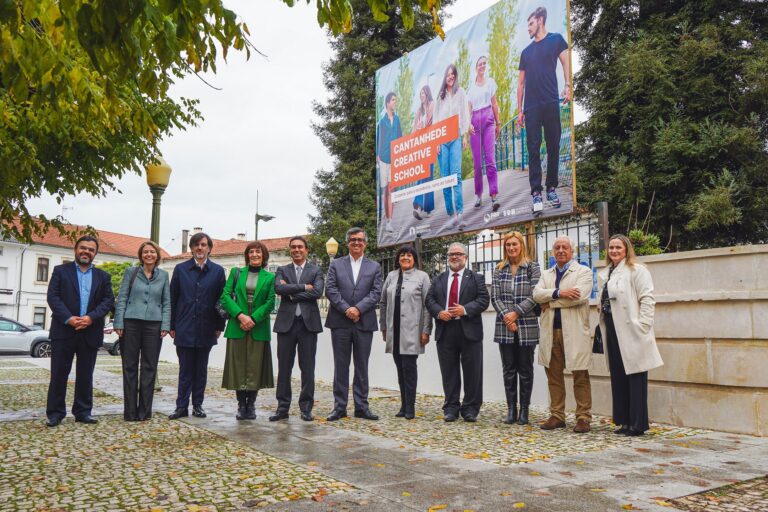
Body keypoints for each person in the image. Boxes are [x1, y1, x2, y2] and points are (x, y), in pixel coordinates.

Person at [45, 235, 115, 427]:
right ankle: (55, 413)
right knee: (59, 373)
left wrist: (91, 317)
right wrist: (69, 318)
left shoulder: (103, 276)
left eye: (91, 250)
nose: (86, 252)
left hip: (90, 331)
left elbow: (108, 301)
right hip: (64, 329)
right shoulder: (60, 271)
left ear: (95, 254)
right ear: (76, 250)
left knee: (86, 374)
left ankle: (83, 412)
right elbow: (53, 297)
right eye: (83, 248)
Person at [598, 234, 663, 436]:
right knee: (618, 375)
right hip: (612, 327)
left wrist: (643, 325)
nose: (614, 251)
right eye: (611, 248)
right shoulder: (607, 272)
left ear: (626, 249)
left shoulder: (637, 270)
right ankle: (624, 421)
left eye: (618, 247)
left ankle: (637, 423)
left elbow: (647, 298)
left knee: (635, 376)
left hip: (631, 329)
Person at [533, 236, 594, 433]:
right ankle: (557, 415)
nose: (560, 250)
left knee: (580, 374)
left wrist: (549, 302)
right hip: (551, 331)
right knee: (554, 374)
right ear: (553, 252)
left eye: (564, 247)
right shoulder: (546, 273)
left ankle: (583, 417)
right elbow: (536, 295)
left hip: (574, 330)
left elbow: (578, 297)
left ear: (572, 251)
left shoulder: (583, 272)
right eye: (557, 247)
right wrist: (560, 293)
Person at [426, 243, 489, 422]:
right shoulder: (439, 278)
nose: (454, 257)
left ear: (465, 257)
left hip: (469, 329)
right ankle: (451, 407)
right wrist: (439, 312)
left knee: (473, 371)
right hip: (446, 330)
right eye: (451, 254)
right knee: (449, 372)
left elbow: (484, 300)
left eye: (458, 254)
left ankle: (470, 408)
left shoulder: (476, 278)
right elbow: (429, 299)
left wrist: (465, 309)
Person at [324, 227, 383, 421]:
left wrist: (358, 309)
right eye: (352, 240)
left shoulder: (374, 266)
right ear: (347, 243)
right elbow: (330, 289)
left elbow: (376, 292)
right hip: (340, 322)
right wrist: (346, 309)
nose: (356, 243)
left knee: (361, 366)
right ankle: (339, 407)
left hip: (364, 322)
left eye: (360, 240)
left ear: (365, 243)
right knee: (341, 366)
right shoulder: (336, 265)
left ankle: (361, 406)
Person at [517, 6, 570, 214]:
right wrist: (519, 110)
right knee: (533, 149)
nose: (528, 28)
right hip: (531, 106)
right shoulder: (526, 52)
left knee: (554, 145)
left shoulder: (556, 39)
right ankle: (536, 192)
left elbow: (565, 62)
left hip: (550, 101)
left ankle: (551, 188)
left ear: (540, 20)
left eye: (530, 23)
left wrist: (567, 86)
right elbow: (520, 83)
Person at [168, 232, 226, 420]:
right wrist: (171, 324)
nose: (199, 248)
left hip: (207, 327)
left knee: (201, 370)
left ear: (209, 248)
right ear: (191, 248)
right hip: (184, 326)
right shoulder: (180, 269)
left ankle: (198, 405)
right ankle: (181, 406)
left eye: (203, 245)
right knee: (185, 370)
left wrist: (219, 325)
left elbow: (221, 301)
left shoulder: (218, 271)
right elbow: (172, 298)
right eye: (196, 245)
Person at [113, 240, 171, 421]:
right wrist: (119, 322)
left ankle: (144, 411)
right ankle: (130, 412)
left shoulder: (163, 275)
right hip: (130, 323)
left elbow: (167, 302)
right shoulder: (131, 272)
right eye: (145, 252)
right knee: (129, 366)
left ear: (157, 255)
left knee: (149, 367)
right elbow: (122, 298)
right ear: (141, 255)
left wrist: (165, 325)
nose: (149, 255)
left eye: (152, 252)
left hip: (153, 325)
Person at [219, 241, 276, 420]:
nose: (255, 255)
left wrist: (253, 319)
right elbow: (225, 296)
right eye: (251, 252)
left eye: (258, 252)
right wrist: (241, 316)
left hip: (258, 327)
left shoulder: (270, 277)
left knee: (254, 366)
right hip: (237, 325)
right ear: (247, 256)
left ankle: (250, 405)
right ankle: (240, 404)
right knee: (238, 366)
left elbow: (270, 302)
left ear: (264, 256)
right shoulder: (236, 273)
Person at [271, 236, 324, 422]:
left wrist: (291, 293)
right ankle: (282, 407)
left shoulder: (316, 270)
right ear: (290, 250)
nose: (296, 250)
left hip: (308, 325)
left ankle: (306, 407)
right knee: (284, 368)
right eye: (293, 247)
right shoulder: (282, 270)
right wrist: (303, 287)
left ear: (306, 250)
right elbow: (278, 288)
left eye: (300, 247)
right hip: (286, 324)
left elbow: (317, 292)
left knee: (307, 368)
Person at [490, 232, 541, 425]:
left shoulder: (532, 267)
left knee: (525, 369)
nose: (511, 248)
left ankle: (525, 410)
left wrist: (516, 313)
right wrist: (507, 317)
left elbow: (536, 294)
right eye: (508, 245)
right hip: (505, 326)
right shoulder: (499, 269)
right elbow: (495, 297)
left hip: (526, 324)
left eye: (515, 244)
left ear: (521, 245)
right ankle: (511, 409)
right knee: (509, 369)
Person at [379, 245, 432, 420]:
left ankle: (410, 407)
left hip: (412, 332)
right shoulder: (391, 276)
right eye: (402, 255)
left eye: (409, 255)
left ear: (414, 259)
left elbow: (428, 305)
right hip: (394, 331)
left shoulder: (422, 277)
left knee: (409, 369)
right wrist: (384, 327)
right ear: (398, 258)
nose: (405, 258)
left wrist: (426, 330)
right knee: (400, 369)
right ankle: (403, 405)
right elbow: (383, 303)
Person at [434, 63, 470, 230]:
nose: (450, 77)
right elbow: (435, 121)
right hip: (442, 138)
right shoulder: (440, 96)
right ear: (445, 76)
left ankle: (460, 214)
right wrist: (436, 142)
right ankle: (451, 214)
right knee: (445, 177)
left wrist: (464, 136)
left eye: (453, 74)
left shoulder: (460, 92)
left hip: (455, 136)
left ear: (455, 76)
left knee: (456, 176)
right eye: (448, 74)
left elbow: (464, 114)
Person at [468, 56, 501, 212]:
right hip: (474, 121)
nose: (481, 66)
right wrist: (468, 123)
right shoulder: (471, 87)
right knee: (477, 162)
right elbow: (468, 108)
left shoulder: (490, 83)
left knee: (490, 159)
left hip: (488, 119)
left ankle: (494, 194)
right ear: (475, 68)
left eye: (483, 64)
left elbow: (494, 104)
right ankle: (478, 195)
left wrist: (498, 123)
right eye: (479, 64)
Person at [377, 92, 402, 234]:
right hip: (384, 157)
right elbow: (378, 138)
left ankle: (390, 221)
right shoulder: (382, 120)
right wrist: (377, 155)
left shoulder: (397, 119)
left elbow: (400, 136)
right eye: (393, 100)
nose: (394, 102)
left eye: (395, 100)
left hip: (395, 157)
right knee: (386, 189)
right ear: (387, 102)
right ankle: (387, 220)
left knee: (391, 189)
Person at [412, 85, 435, 220]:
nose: (422, 96)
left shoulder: (432, 105)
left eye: (423, 93)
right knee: (423, 174)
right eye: (420, 94)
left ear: (427, 93)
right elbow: (414, 129)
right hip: (421, 146)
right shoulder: (418, 111)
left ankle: (426, 207)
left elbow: (431, 123)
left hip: (430, 144)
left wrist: (423, 126)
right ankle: (419, 206)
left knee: (429, 175)